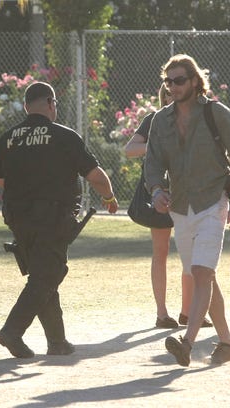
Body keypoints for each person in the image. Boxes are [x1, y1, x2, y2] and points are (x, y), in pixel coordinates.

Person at [0, 81, 118, 358]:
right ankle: (12, 331)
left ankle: (57, 342)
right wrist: (108, 198)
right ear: (51, 104)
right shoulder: (63, 135)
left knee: (42, 273)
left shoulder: (8, 138)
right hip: (51, 217)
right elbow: (94, 175)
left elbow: (1, 181)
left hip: (18, 217)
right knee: (49, 274)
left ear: (26, 106)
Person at [145, 54, 230, 366]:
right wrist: (156, 190)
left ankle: (187, 343)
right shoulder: (159, 121)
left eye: (179, 80)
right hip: (180, 206)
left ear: (195, 81)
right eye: (168, 81)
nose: (172, 86)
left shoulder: (216, 113)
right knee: (205, 277)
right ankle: (226, 342)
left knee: (201, 273)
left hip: (213, 201)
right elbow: (152, 162)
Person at [125, 85, 213, 329]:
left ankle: (188, 312)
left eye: (177, 91)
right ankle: (162, 314)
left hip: (190, 194)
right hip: (161, 194)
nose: (172, 97)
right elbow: (130, 149)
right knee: (160, 252)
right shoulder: (154, 119)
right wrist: (158, 146)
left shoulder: (198, 117)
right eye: (167, 94)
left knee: (192, 255)